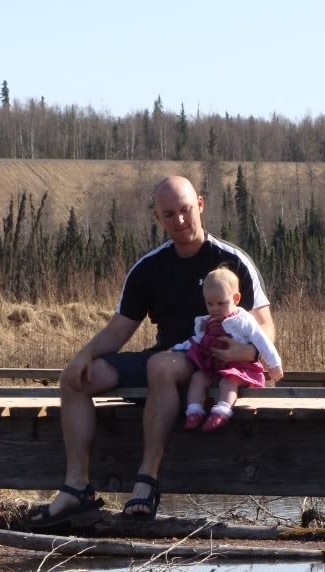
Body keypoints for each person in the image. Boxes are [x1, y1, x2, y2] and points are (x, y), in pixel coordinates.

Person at [27, 175, 275, 527]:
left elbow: (264, 324)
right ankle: (76, 487)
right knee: (75, 378)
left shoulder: (230, 261)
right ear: (158, 217)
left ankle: (146, 480)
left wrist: (248, 353)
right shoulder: (150, 267)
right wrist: (84, 354)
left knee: (160, 365)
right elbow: (119, 330)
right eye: (169, 214)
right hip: (169, 356)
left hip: (216, 362)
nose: (180, 220)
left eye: (186, 210)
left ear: (200, 205)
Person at [172, 267, 283, 431]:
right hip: (214, 368)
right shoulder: (207, 322)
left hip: (240, 369)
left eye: (221, 303)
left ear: (236, 298)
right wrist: (177, 348)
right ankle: (194, 411)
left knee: (228, 380)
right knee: (198, 378)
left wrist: (274, 364)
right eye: (210, 304)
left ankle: (222, 412)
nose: (215, 308)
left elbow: (262, 340)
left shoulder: (243, 320)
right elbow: (196, 341)